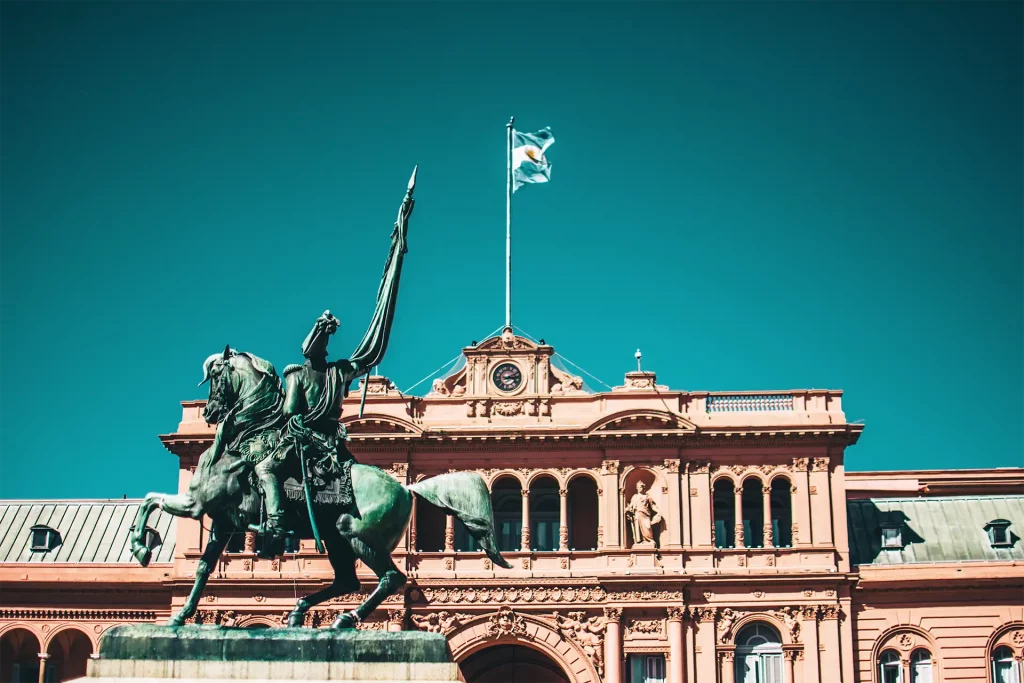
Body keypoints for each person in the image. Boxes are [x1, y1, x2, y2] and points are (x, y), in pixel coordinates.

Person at [625, 481, 662, 546]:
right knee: (638, 528)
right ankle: (640, 541)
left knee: (647, 527)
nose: (639, 488)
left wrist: (658, 511)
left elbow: (652, 506)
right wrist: (627, 509)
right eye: (638, 487)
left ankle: (650, 540)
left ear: (643, 488)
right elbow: (631, 505)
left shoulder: (647, 497)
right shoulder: (635, 497)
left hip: (646, 514)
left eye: (641, 487)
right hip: (638, 514)